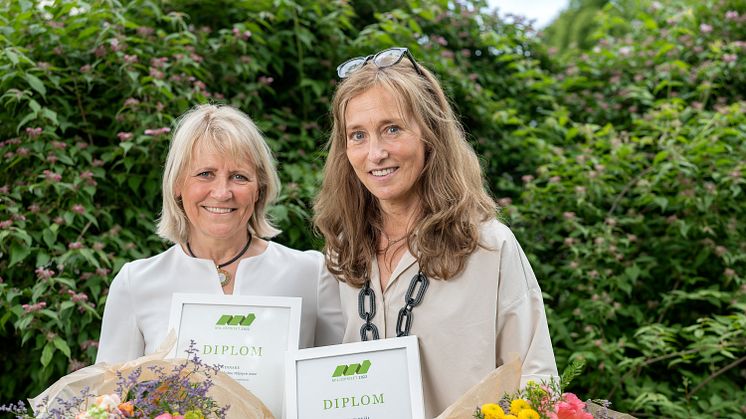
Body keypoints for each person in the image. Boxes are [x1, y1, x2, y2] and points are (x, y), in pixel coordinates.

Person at [313, 47, 558, 417]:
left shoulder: (488, 246)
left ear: (431, 135)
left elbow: (536, 380)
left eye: (391, 129)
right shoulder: (343, 253)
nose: (375, 153)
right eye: (358, 135)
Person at [96, 104, 343, 363]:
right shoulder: (136, 283)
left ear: (259, 188)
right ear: (178, 184)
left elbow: (332, 387)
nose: (222, 192)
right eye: (205, 174)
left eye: (239, 177)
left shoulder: (312, 274)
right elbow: (107, 395)